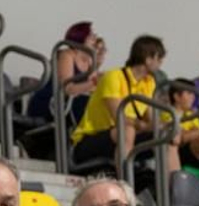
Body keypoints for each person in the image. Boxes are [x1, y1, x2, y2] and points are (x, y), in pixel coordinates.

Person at [69, 35, 166, 170]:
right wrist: (143, 126)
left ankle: (171, 181)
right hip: (89, 140)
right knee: (127, 130)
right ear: (148, 59)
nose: (161, 63)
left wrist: (163, 126)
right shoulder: (114, 76)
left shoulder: (149, 82)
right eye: (159, 58)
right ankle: (124, 180)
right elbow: (119, 118)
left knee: (168, 135)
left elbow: (151, 119)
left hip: (124, 137)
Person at [26, 21, 103, 135]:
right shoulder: (67, 55)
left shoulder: (89, 61)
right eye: (91, 36)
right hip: (52, 102)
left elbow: (91, 89)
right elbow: (67, 89)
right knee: (88, 105)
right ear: (81, 37)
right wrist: (95, 82)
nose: (95, 39)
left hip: (71, 103)